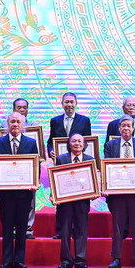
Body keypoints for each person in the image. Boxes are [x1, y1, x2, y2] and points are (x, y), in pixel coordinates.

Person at [0, 112, 38, 268]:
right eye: (12, 121)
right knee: (7, 226)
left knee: (22, 226)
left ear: (23, 124)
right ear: (7, 124)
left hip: (24, 193)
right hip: (5, 194)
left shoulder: (31, 143)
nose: (15, 124)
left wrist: (34, 182)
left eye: (18, 121)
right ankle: (6, 260)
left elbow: (35, 166)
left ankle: (19, 260)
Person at [103, 115, 135, 268]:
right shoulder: (110, 145)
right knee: (117, 226)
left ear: (133, 128)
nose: (126, 128)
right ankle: (116, 258)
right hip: (117, 193)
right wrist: (106, 187)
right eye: (123, 125)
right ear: (119, 128)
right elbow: (107, 168)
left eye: (129, 126)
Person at [105, 97, 135, 240]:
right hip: (118, 180)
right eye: (129, 105)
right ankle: (123, 233)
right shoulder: (112, 130)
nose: (131, 107)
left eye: (134, 105)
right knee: (120, 210)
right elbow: (107, 160)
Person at [47, 92, 92, 239]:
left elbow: (88, 142)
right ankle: (61, 231)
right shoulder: (55, 121)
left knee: (79, 198)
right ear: (62, 104)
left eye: (72, 102)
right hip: (62, 164)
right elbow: (50, 141)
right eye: (66, 102)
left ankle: (77, 231)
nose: (69, 105)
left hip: (80, 165)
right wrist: (51, 151)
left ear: (76, 103)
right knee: (62, 197)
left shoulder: (84, 120)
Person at [55, 134, 96, 268]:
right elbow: (56, 179)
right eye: (74, 141)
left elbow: (93, 179)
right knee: (65, 230)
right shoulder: (61, 159)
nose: (77, 143)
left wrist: (95, 191)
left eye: (79, 141)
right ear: (69, 144)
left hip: (82, 201)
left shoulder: (90, 160)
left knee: (81, 230)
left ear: (84, 145)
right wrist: (53, 195)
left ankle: (80, 259)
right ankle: (66, 260)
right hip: (65, 201)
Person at [1, 98, 37, 238]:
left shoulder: (34, 126)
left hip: (27, 173)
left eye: (24, 107)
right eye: (18, 107)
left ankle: (27, 229)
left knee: (30, 202)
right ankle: (11, 230)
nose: (22, 110)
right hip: (8, 173)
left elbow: (36, 152)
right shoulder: (5, 124)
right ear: (13, 109)